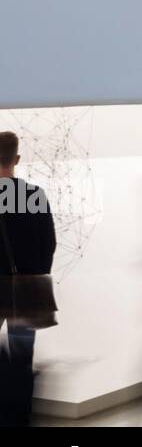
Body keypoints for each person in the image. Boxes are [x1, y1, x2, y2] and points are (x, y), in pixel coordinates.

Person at [0, 131, 57, 428]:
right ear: (17, 158)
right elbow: (49, 242)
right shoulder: (33, 195)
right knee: (23, 359)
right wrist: (34, 274)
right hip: (27, 288)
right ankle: (20, 418)